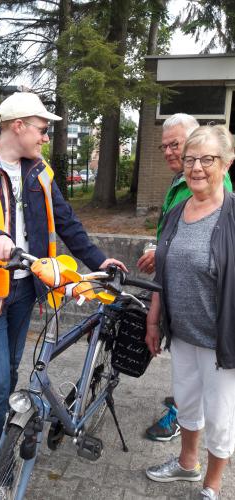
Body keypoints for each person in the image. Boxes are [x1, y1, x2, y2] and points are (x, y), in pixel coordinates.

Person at [0, 91, 126, 474]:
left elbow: (66, 222)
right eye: (42, 129)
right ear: (19, 126)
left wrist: (99, 260)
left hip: (23, 290)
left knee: (11, 373)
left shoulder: (40, 171)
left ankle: (5, 438)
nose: (46, 138)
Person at [145, 125, 235, 499]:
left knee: (220, 418)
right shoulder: (178, 210)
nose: (196, 167)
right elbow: (164, 268)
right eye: (190, 159)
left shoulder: (232, 216)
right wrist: (153, 320)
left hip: (221, 342)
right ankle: (186, 464)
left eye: (207, 159)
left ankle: (212, 487)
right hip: (181, 333)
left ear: (227, 163)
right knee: (187, 404)